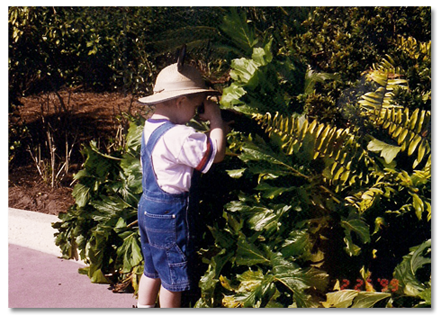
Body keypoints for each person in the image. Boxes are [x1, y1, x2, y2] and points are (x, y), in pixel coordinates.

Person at [136, 61, 227, 308]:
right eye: (196, 107)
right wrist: (216, 121)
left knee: (152, 269)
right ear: (180, 102)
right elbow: (216, 153)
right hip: (168, 215)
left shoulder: (151, 126)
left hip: (147, 208)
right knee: (171, 280)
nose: (197, 114)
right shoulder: (178, 136)